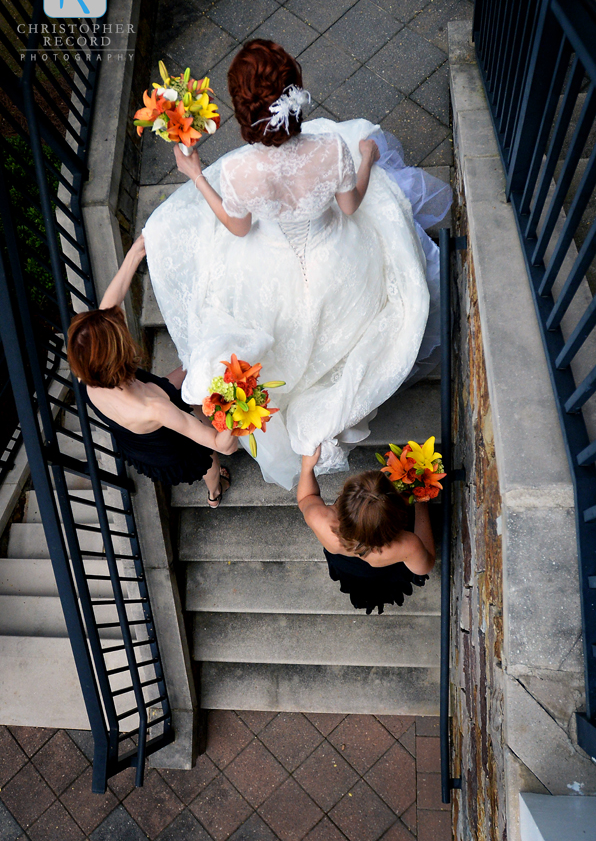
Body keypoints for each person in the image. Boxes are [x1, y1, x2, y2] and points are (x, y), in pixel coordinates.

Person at [142, 39, 451, 490]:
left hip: (265, 270)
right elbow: (350, 208)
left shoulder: (239, 172)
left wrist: (195, 176)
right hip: (338, 262)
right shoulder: (330, 150)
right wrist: (365, 159)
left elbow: (239, 228)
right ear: (296, 96)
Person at [67, 234, 238, 505]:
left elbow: (109, 306)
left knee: (188, 376)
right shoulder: (154, 407)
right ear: (121, 355)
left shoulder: (88, 371)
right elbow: (221, 443)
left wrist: (135, 252)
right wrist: (238, 410)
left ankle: (194, 370)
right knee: (209, 461)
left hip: (132, 433)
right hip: (166, 445)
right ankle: (215, 493)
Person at [297, 448, 435, 615]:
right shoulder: (407, 545)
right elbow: (425, 565)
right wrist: (421, 502)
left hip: (348, 567)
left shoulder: (319, 519)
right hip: (387, 566)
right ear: (398, 514)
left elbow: (306, 498)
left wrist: (307, 467)